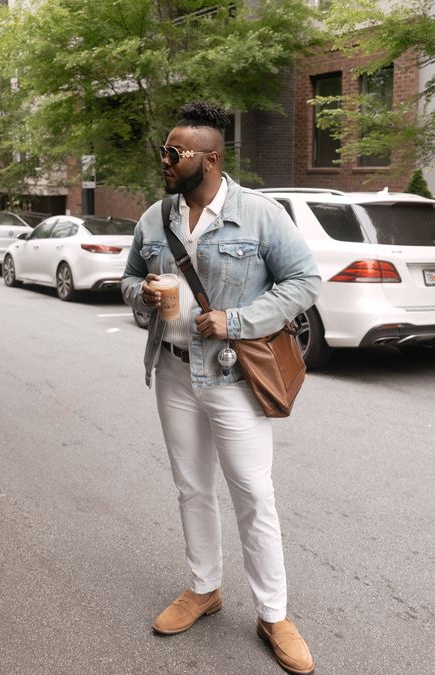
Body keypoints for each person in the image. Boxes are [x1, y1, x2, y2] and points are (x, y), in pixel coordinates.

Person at [121, 101, 321, 674]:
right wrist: (143, 295)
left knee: (254, 496)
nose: (164, 159)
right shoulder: (155, 218)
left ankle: (274, 614)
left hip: (234, 373)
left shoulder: (260, 215)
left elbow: (304, 280)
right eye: (164, 149)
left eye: (174, 152)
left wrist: (236, 321)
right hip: (175, 370)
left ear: (209, 158)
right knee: (191, 487)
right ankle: (204, 587)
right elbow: (131, 276)